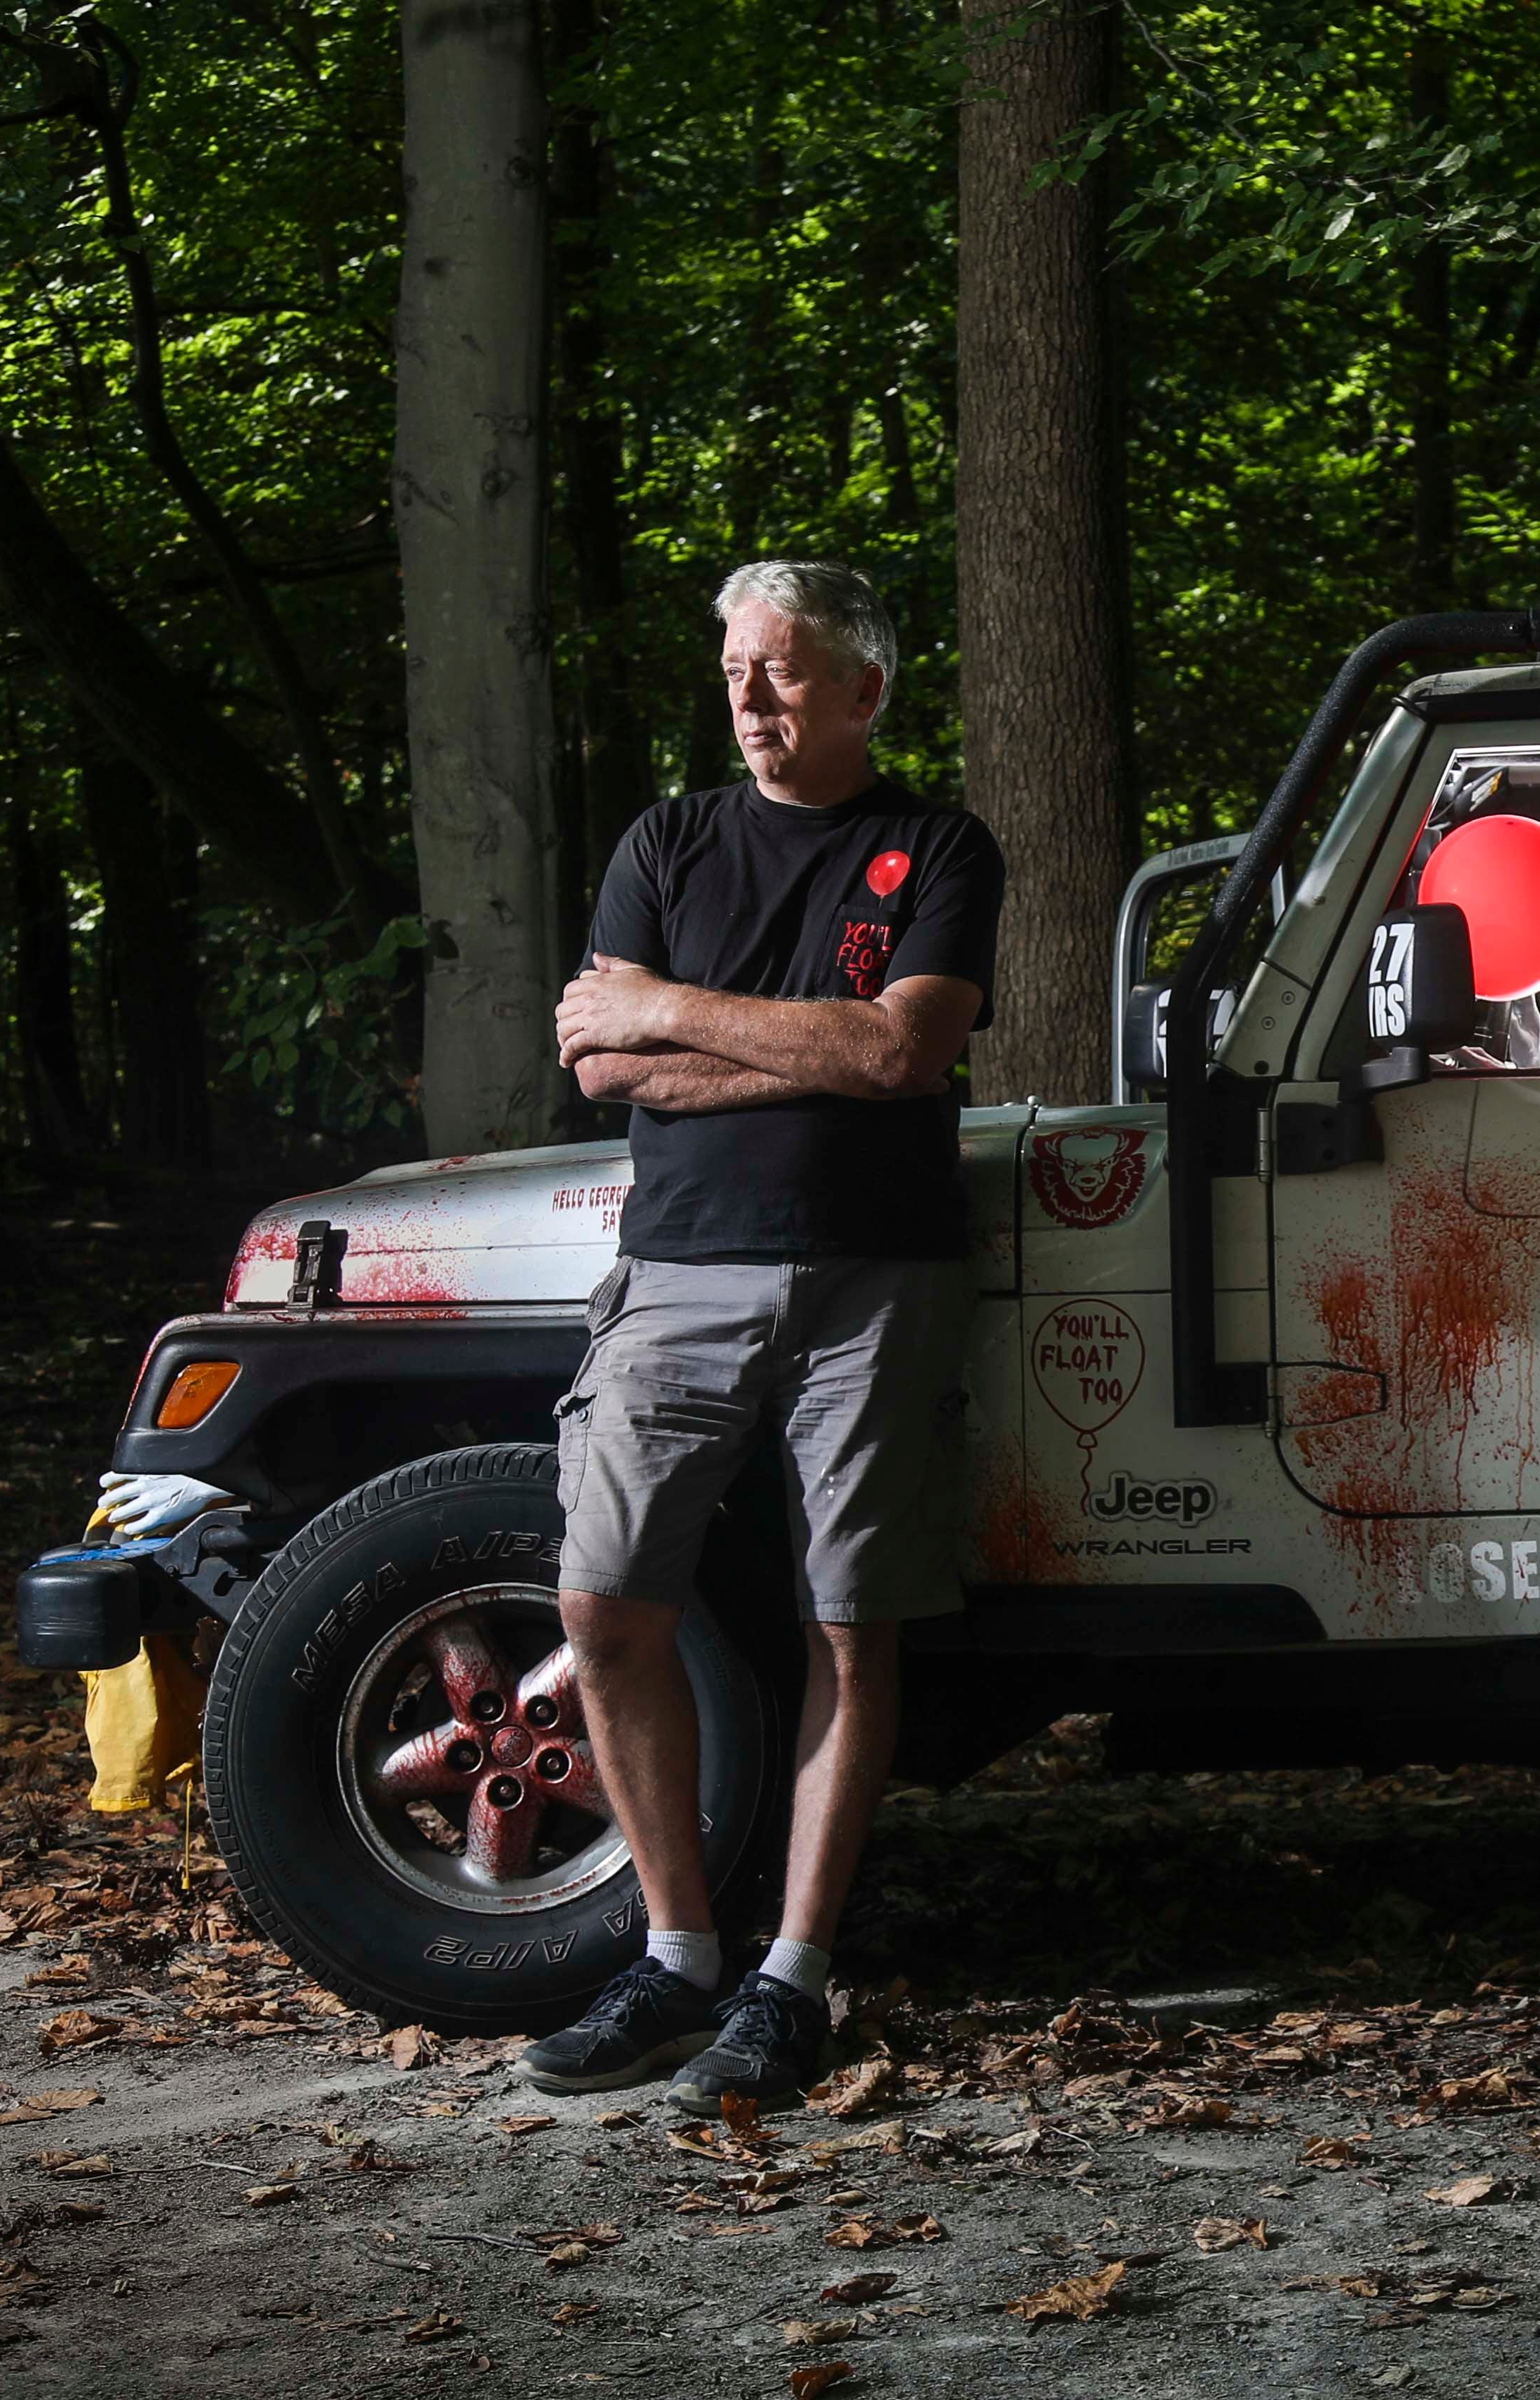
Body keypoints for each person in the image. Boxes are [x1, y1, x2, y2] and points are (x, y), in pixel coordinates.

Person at [521, 559, 1000, 2114]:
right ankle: (676, 1953)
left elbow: (904, 1044)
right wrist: (812, 1053)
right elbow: (602, 1069)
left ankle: (789, 1976)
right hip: (677, 1274)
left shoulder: (935, 843)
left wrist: (676, 1006)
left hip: (875, 1279)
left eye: (781, 672)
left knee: (850, 1623)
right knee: (604, 1602)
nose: (748, 696)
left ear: (863, 690)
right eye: (735, 668)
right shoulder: (664, 839)